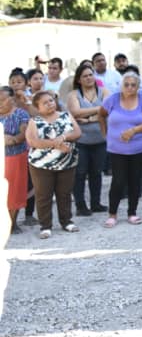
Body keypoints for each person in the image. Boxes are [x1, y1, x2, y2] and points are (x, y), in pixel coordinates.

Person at [99, 70, 142, 227]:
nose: (130, 87)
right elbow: (101, 114)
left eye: (133, 85)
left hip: (139, 146)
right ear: (121, 85)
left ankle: (132, 212)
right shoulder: (112, 99)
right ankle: (112, 214)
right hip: (116, 148)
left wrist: (134, 130)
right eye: (126, 84)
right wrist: (105, 134)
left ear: (138, 86)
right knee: (118, 180)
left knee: (134, 179)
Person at [24, 90, 81, 238]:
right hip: (41, 164)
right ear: (38, 107)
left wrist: (63, 137)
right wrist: (55, 145)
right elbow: (33, 141)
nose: (50, 104)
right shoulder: (34, 121)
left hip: (67, 162)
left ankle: (67, 221)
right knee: (44, 195)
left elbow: (77, 133)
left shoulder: (66, 115)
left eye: (51, 100)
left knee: (64, 193)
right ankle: (45, 226)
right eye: (45, 102)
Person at [66, 65, 110, 216]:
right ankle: (80, 205)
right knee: (80, 173)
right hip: (81, 141)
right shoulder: (74, 94)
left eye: (91, 75)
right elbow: (75, 112)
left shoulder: (103, 91)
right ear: (79, 79)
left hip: (100, 139)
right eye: (85, 76)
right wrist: (99, 112)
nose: (89, 78)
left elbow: (109, 108)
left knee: (96, 172)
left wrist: (89, 117)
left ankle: (96, 203)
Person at [2, 86, 30, 234]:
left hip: (16, 157)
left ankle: (12, 223)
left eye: (3, 99)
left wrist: (11, 140)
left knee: (15, 190)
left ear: (12, 99)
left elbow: (23, 134)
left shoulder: (21, 114)